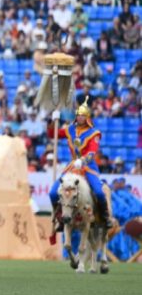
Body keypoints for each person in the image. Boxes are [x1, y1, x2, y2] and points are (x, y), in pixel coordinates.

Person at [48, 98, 112, 229]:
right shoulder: (70, 129)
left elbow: (92, 152)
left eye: (83, 115)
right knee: (53, 193)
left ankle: (105, 218)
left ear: (87, 117)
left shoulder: (94, 133)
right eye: (79, 115)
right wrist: (52, 120)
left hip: (88, 166)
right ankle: (59, 217)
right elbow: (52, 134)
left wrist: (82, 161)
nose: (80, 117)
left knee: (99, 193)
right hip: (72, 166)